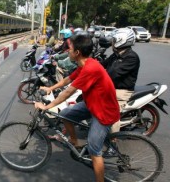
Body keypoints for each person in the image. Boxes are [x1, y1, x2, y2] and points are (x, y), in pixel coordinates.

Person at [35, 32, 120, 182]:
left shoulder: (90, 69)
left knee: (95, 151)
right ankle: (74, 141)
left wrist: (47, 107)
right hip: (92, 105)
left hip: (103, 112)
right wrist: (51, 88)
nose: (68, 50)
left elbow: (68, 92)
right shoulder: (84, 64)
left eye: (70, 48)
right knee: (66, 114)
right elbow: (68, 79)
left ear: (77, 52)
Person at [101, 28, 140, 133]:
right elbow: (102, 65)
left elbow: (113, 74)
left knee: (112, 114)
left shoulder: (131, 57)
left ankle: (113, 143)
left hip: (121, 91)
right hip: (111, 88)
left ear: (121, 40)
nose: (112, 42)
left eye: (114, 40)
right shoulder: (117, 54)